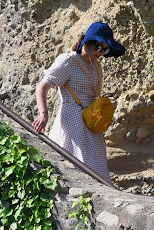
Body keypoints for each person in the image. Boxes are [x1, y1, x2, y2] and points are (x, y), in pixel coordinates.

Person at [32, 22, 126, 182]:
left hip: (91, 122)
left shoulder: (96, 66)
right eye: (99, 48)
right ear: (87, 42)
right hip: (72, 119)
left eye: (106, 49)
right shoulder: (68, 61)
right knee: (76, 164)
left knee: (96, 165)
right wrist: (43, 114)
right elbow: (42, 87)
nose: (102, 53)